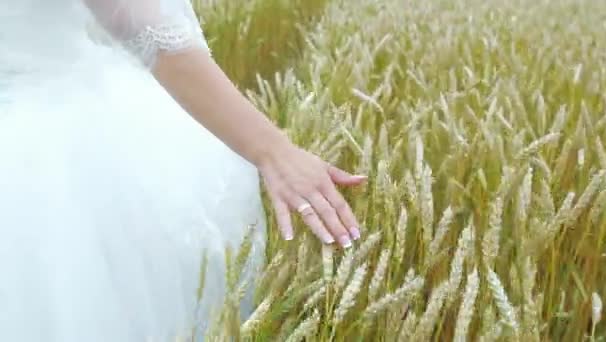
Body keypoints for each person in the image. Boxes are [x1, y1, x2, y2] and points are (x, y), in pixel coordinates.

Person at [0, 0, 365, 340]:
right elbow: (151, 33)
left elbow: (145, 29)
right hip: (46, 148)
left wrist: (273, 150)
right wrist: (273, 150)